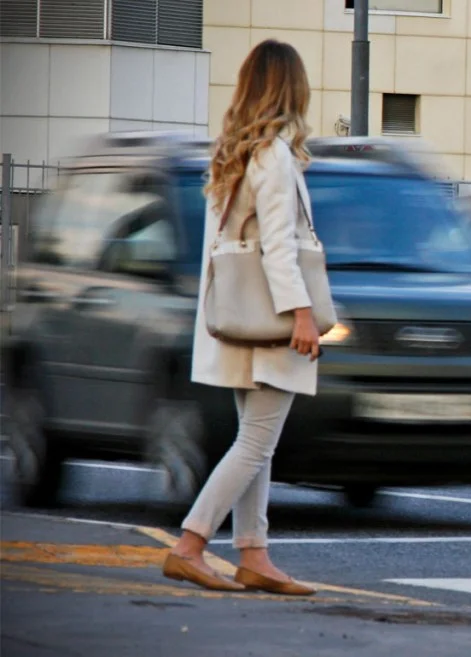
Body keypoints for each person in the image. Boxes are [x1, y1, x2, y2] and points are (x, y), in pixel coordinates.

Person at [161, 39, 321, 596]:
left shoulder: (234, 150)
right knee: (256, 441)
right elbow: (278, 247)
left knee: (254, 441)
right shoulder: (273, 155)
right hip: (272, 319)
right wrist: (302, 313)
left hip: (240, 318)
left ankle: (253, 552)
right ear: (290, 88)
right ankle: (190, 545)